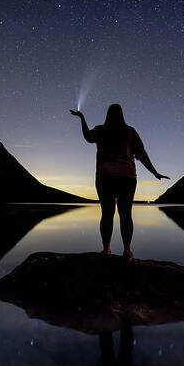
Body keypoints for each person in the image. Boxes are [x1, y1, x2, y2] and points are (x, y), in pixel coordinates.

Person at [70, 104, 169, 260]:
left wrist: (82, 118)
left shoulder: (101, 130)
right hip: (126, 178)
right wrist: (154, 172)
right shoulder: (129, 132)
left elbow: (88, 137)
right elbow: (142, 154)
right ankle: (126, 251)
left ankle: (106, 250)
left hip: (105, 178)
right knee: (125, 215)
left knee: (108, 214)